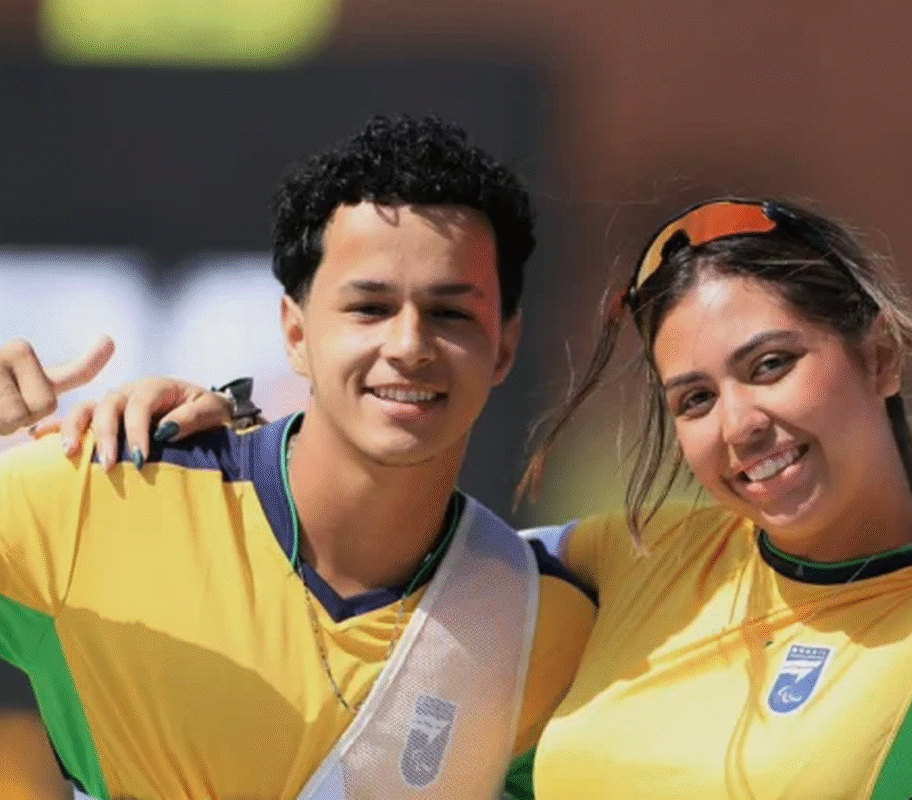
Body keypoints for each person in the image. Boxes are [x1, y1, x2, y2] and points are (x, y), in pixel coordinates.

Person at [22, 197, 912, 799]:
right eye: (693, 397)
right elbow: (384, 555)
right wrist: (226, 432)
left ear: (879, 355)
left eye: (771, 365)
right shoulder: (630, 563)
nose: (739, 424)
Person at [0, 115, 595, 800]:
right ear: (294, 332)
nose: (409, 345)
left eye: (450, 313)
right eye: (370, 307)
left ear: (506, 345)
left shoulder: (542, 627)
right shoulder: (102, 494)